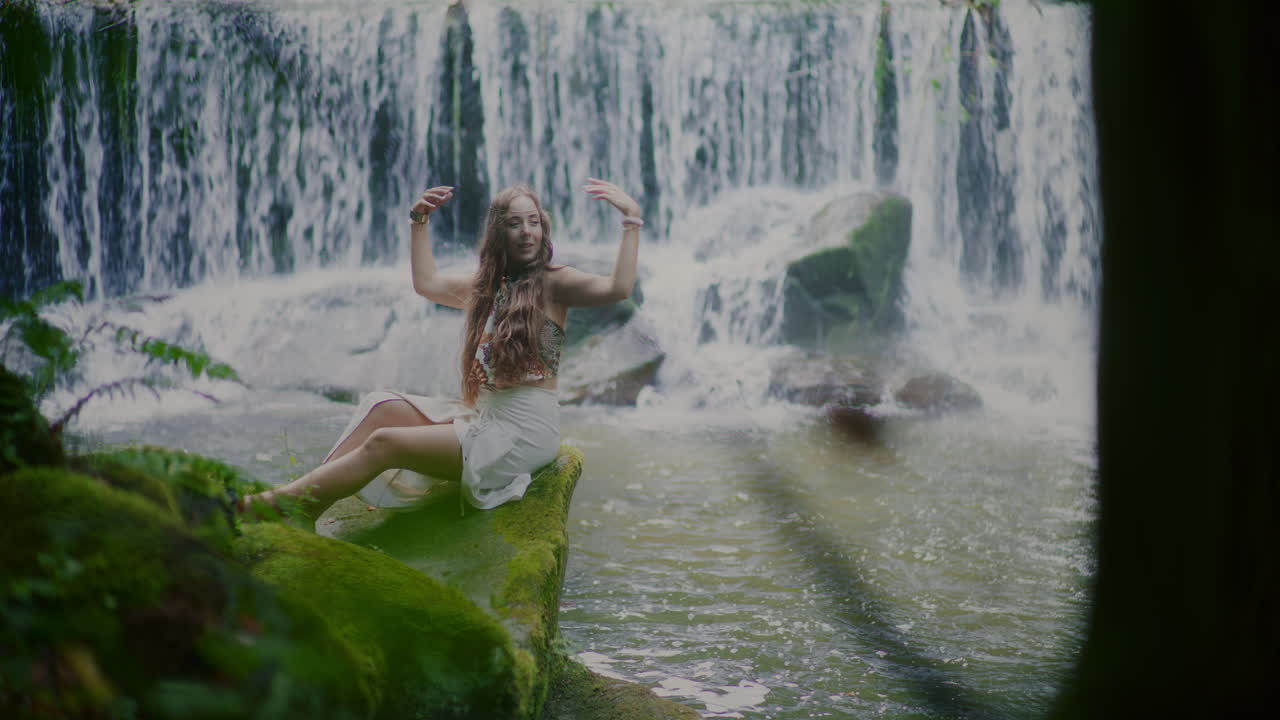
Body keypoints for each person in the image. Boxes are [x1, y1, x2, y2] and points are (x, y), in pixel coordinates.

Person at [241, 178, 643, 523]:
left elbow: (617, 288)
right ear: (498, 233)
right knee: (381, 405)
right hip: (486, 415)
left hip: (523, 433)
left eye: (534, 222)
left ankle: (280, 505)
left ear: (545, 230)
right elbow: (427, 283)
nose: (526, 232)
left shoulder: (557, 282)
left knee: (386, 444)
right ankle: (309, 502)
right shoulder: (488, 285)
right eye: (515, 223)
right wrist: (419, 222)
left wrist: (631, 221)